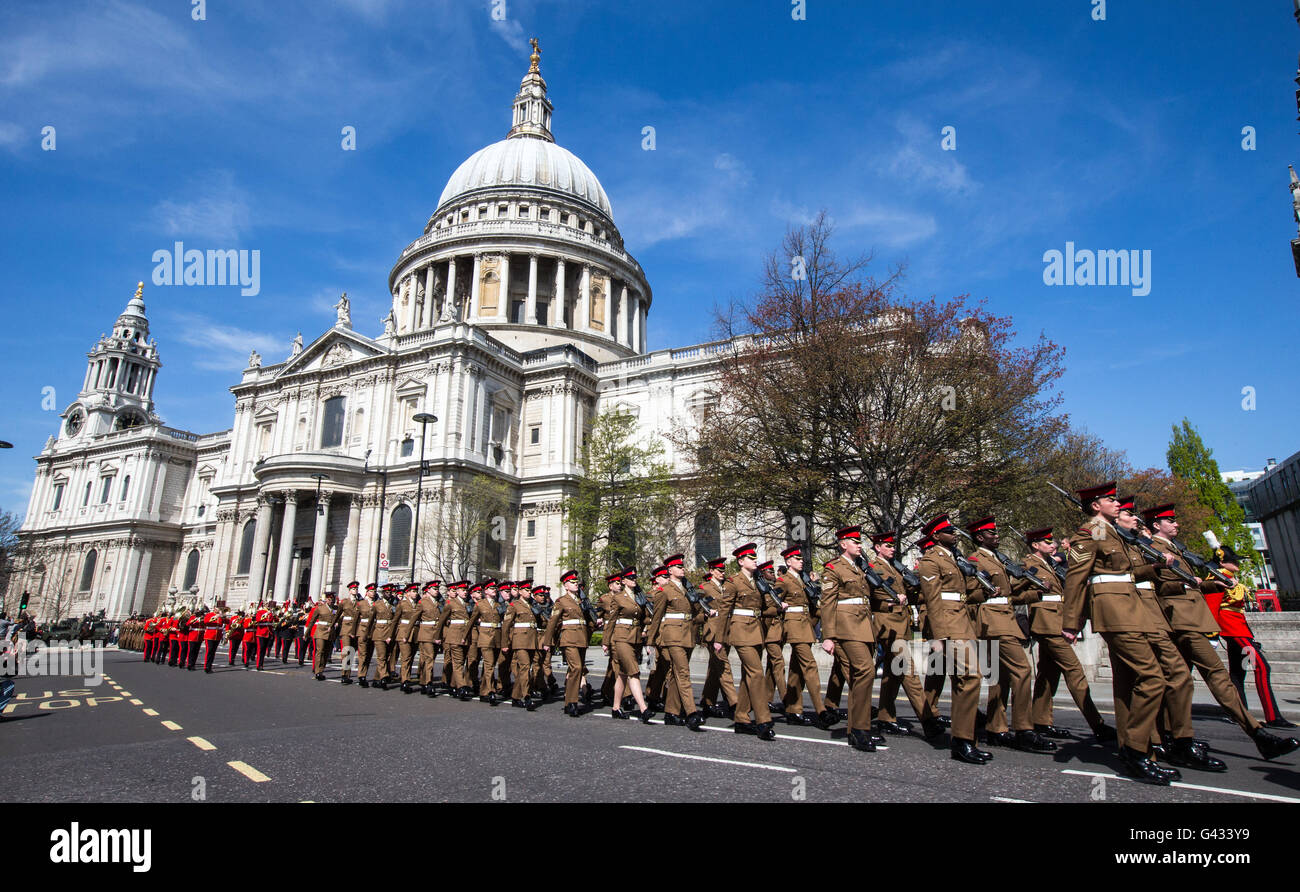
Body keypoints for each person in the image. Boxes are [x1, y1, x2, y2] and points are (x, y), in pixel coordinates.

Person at [1142, 504, 1298, 761]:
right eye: (1170, 521)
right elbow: (1157, 586)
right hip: (1180, 621)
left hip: (1193, 620)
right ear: (1156, 525)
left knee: (1177, 683)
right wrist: (1187, 583)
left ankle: (1169, 738)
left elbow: (1195, 586)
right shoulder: (1154, 550)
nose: (1176, 524)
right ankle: (1258, 735)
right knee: (1215, 677)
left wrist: (1214, 584)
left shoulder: (1176, 549)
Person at [1062, 482, 1182, 785]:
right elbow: (1077, 578)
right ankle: (1136, 750)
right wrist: (1071, 622)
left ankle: (1137, 750)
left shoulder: (1109, 531)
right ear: (1095, 505)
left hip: (1131, 609)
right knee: (1153, 677)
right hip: (1114, 611)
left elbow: (1125, 571)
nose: (1117, 504)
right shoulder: (1092, 532)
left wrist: (1154, 565)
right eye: (1110, 500)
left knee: (1130, 683)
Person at [965, 515, 1055, 754]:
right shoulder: (976, 559)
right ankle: (1024, 729)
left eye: (996, 533)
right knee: (1023, 671)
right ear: (979, 537)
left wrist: (1031, 588)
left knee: (1001, 678)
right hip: (993, 620)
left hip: (1006, 617)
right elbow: (970, 594)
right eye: (991, 534)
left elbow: (1010, 594)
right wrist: (987, 593)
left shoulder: (999, 559)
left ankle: (996, 728)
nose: (996, 536)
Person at [1019, 526, 1114, 740]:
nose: (1052, 545)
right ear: (1035, 545)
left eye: (1052, 542)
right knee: (1074, 671)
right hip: (1046, 624)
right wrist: (1036, 591)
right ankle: (1097, 724)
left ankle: (1041, 721)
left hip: (1057, 620)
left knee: (1047, 674)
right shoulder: (1028, 565)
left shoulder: (1050, 564)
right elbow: (1016, 594)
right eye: (1047, 542)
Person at [917, 515, 990, 765]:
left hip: (963, 621)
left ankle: (964, 740)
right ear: (936, 536)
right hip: (948, 623)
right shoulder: (929, 561)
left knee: (967, 679)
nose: (955, 533)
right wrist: (938, 636)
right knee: (970, 677)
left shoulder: (954, 559)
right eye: (949, 530)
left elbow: (966, 593)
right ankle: (962, 740)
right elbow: (933, 600)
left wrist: (986, 587)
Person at [1203, 544, 1296, 729]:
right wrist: (1211, 634)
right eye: (1232, 560)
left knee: (1238, 672)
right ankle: (1272, 715)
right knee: (1262, 667)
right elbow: (1212, 606)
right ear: (1222, 562)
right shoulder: (1216, 578)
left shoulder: (1229, 577)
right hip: (1233, 630)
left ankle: (1240, 713)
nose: (1236, 563)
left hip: (1240, 629)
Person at [867, 532, 940, 737]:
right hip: (887, 625)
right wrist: (888, 602)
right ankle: (928, 718)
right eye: (888, 546)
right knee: (908, 670)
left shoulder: (895, 567)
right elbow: (869, 597)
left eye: (893, 546)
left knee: (893, 673)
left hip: (901, 624)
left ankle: (885, 717)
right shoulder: (874, 568)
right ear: (878, 547)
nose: (892, 549)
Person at [821, 526, 881, 751]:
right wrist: (828, 636)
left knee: (859, 678)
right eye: (854, 541)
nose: (859, 544)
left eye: (859, 541)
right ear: (843, 544)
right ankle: (860, 728)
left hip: (864, 626)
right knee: (866, 670)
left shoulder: (861, 569)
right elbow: (827, 603)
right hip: (846, 627)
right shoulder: (833, 568)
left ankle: (857, 730)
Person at [718, 543, 775, 741]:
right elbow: (724, 611)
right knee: (757, 673)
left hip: (756, 630)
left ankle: (741, 717)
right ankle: (763, 721)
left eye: (755, 558)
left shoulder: (757, 581)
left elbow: (766, 608)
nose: (755, 561)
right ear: (741, 561)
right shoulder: (734, 582)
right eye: (751, 558)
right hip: (741, 631)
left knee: (748, 675)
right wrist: (719, 639)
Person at [777, 546, 837, 729]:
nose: (801, 561)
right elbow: (774, 599)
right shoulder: (784, 580)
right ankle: (821, 710)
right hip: (794, 627)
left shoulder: (802, 580)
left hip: (806, 626)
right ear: (788, 562)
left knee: (796, 671)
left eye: (801, 558)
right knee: (809, 666)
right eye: (796, 559)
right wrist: (781, 604)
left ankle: (793, 710)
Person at [645, 557, 707, 730]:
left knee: (674, 674)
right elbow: (656, 618)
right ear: (670, 570)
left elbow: (693, 614)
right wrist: (650, 642)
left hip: (687, 634)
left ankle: (671, 712)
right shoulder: (664, 590)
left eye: (683, 566)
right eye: (679, 567)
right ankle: (692, 713)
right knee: (683, 672)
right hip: (671, 635)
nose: (683, 569)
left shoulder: (687, 589)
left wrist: (704, 611)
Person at [603, 571, 652, 721]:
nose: (634, 580)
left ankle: (616, 708)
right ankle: (644, 709)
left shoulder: (639, 597)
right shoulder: (617, 598)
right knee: (633, 672)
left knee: (623, 674)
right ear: (623, 581)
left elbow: (644, 617)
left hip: (636, 637)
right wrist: (605, 642)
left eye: (635, 577)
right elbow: (611, 621)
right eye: (630, 578)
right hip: (621, 637)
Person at [544, 571, 593, 718]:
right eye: (572, 582)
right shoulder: (561, 601)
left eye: (576, 582)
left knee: (577, 670)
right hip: (569, 638)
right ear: (566, 585)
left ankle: (568, 702)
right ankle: (572, 702)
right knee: (576, 668)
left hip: (581, 638)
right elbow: (553, 622)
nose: (575, 584)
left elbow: (587, 620)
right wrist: (548, 641)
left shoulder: (581, 600)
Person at [697, 557, 737, 718]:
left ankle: (707, 701)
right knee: (723, 666)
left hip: (726, 630)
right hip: (712, 631)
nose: (722, 573)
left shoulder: (727, 586)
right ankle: (734, 703)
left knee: (714, 669)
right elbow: (696, 612)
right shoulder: (704, 588)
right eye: (719, 571)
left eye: (723, 570)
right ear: (711, 571)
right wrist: (706, 614)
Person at [434, 580, 473, 700]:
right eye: (463, 590)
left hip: (466, 637)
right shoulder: (451, 603)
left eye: (466, 590)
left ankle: (453, 685)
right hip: (454, 636)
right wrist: (437, 636)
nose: (465, 592)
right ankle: (461, 686)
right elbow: (442, 621)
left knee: (461, 663)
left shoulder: (467, 604)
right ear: (457, 591)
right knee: (457, 662)